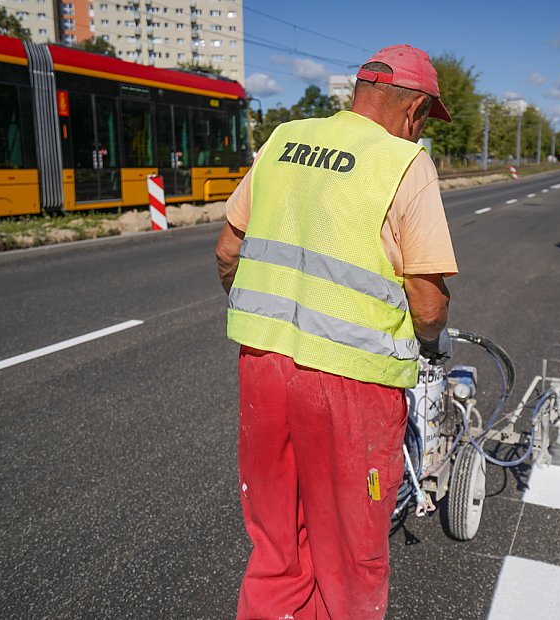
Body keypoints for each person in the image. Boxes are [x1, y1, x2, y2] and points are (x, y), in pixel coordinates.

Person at [215, 44, 457, 619]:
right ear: (415, 108)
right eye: (424, 118)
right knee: (350, 552)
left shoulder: (283, 139)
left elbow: (229, 252)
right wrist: (431, 341)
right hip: (352, 384)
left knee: (276, 540)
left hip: (264, 366)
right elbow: (426, 301)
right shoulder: (405, 162)